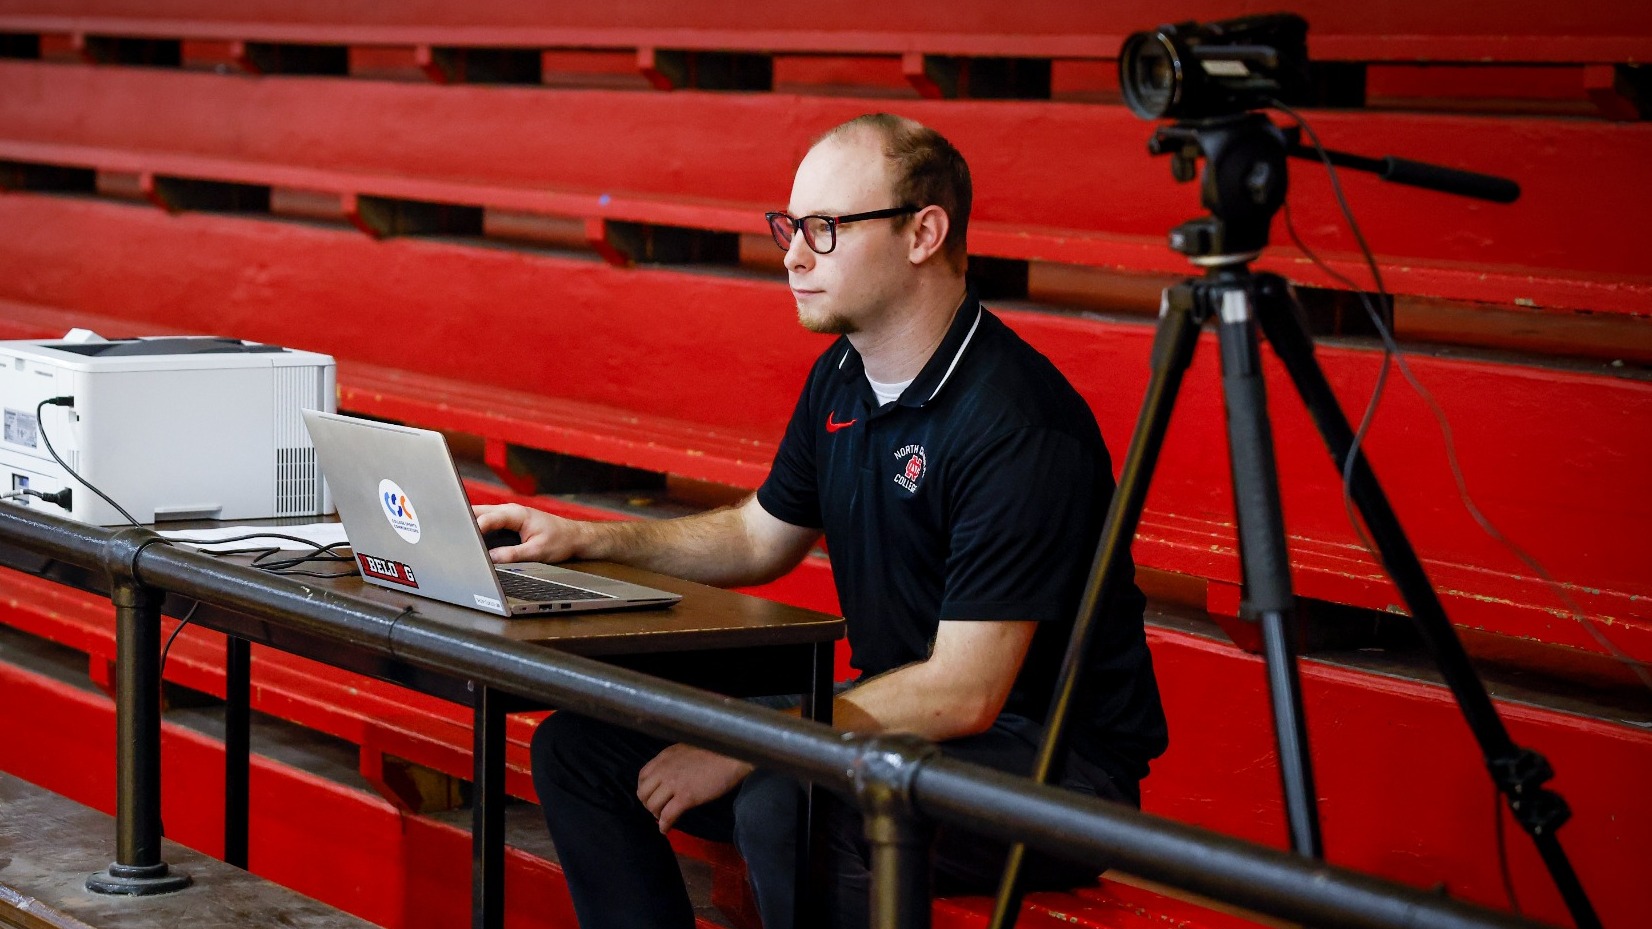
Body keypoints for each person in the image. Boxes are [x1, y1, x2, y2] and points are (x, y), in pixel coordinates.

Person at [473, 113, 1167, 929]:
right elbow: (758, 536)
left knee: (785, 799)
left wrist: (748, 740)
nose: (795, 253)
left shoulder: (1017, 422)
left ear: (924, 233)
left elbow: (966, 690)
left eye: (826, 228)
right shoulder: (842, 374)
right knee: (578, 749)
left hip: (1052, 770)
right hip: (895, 719)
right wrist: (592, 537)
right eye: (790, 227)